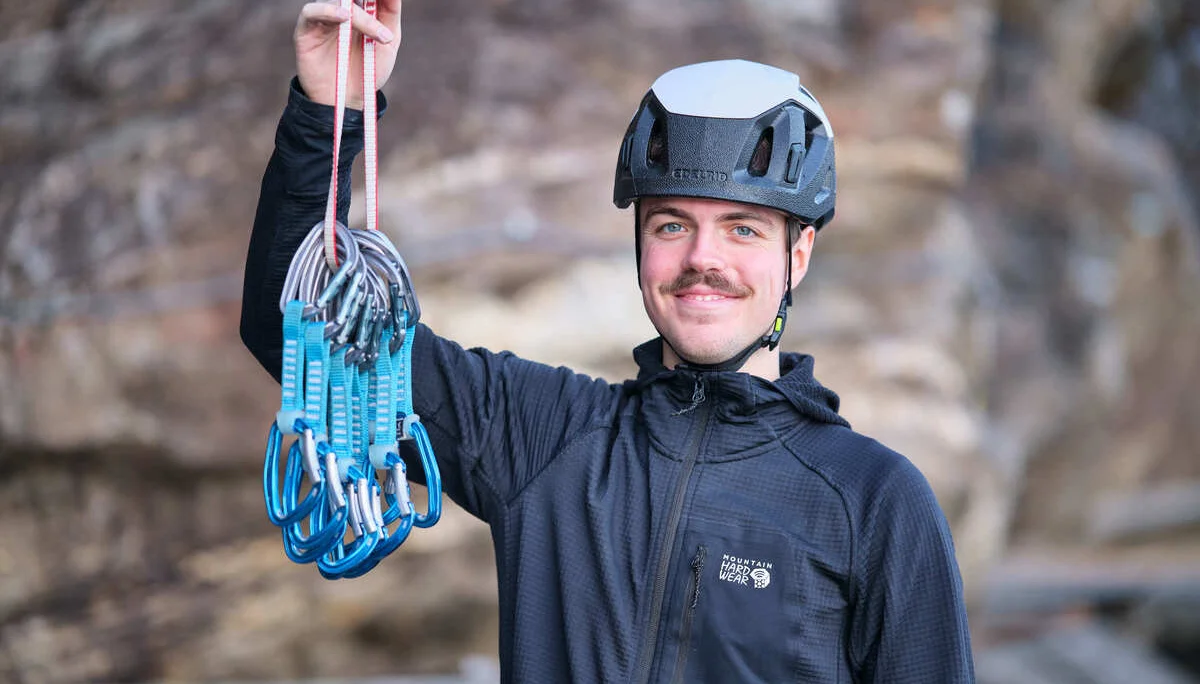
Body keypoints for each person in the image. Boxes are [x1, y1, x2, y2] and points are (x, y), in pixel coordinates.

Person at [240, 2, 976, 682]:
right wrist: (328, 106)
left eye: (743, 228)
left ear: (800, 254)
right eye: (671, 224)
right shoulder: (542, 436)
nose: (702, 259)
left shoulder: (875, 502)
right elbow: (301, 325)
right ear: (639, 244)